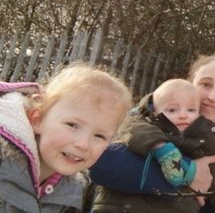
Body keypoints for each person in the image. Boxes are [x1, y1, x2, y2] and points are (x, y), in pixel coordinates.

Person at [90, 54, 215, 213]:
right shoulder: (142, 116)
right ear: (188, 85)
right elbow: (99, 163)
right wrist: (188, 173)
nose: (212, 96)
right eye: (205, 85)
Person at [0, 64, 132, 213]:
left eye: (99, 136)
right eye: (72, 125)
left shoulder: (75, 191)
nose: (83, 144)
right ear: (37, 119)